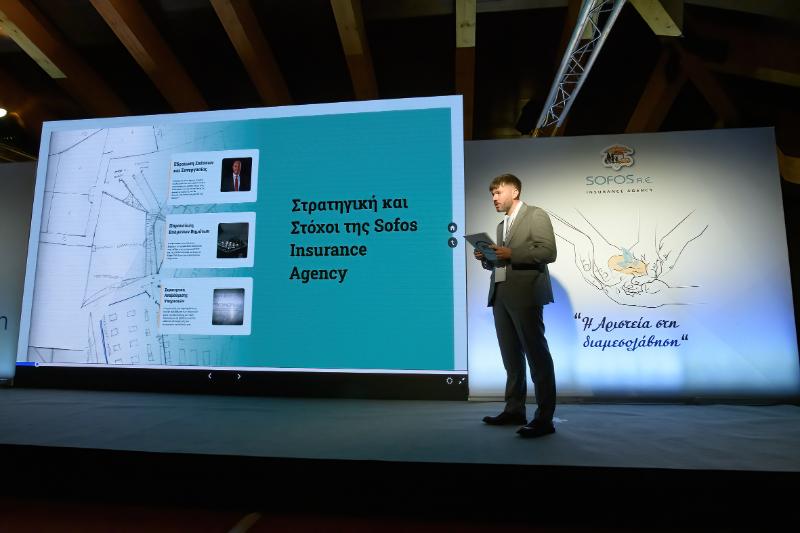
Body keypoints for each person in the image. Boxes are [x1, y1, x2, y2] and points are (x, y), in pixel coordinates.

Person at [473, 173, 558, 438]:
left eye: (498, 192)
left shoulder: (536, 215)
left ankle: (544, 418)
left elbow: (548, 252)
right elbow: (503, 262)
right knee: (511, 358)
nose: (494, 198)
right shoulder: (502, 225)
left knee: (536, 356)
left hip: (526, 295)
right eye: (492, 194)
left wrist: (512, 253)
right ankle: (514, 410)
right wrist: (486, 257)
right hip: (501, 295)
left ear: (515, 191)